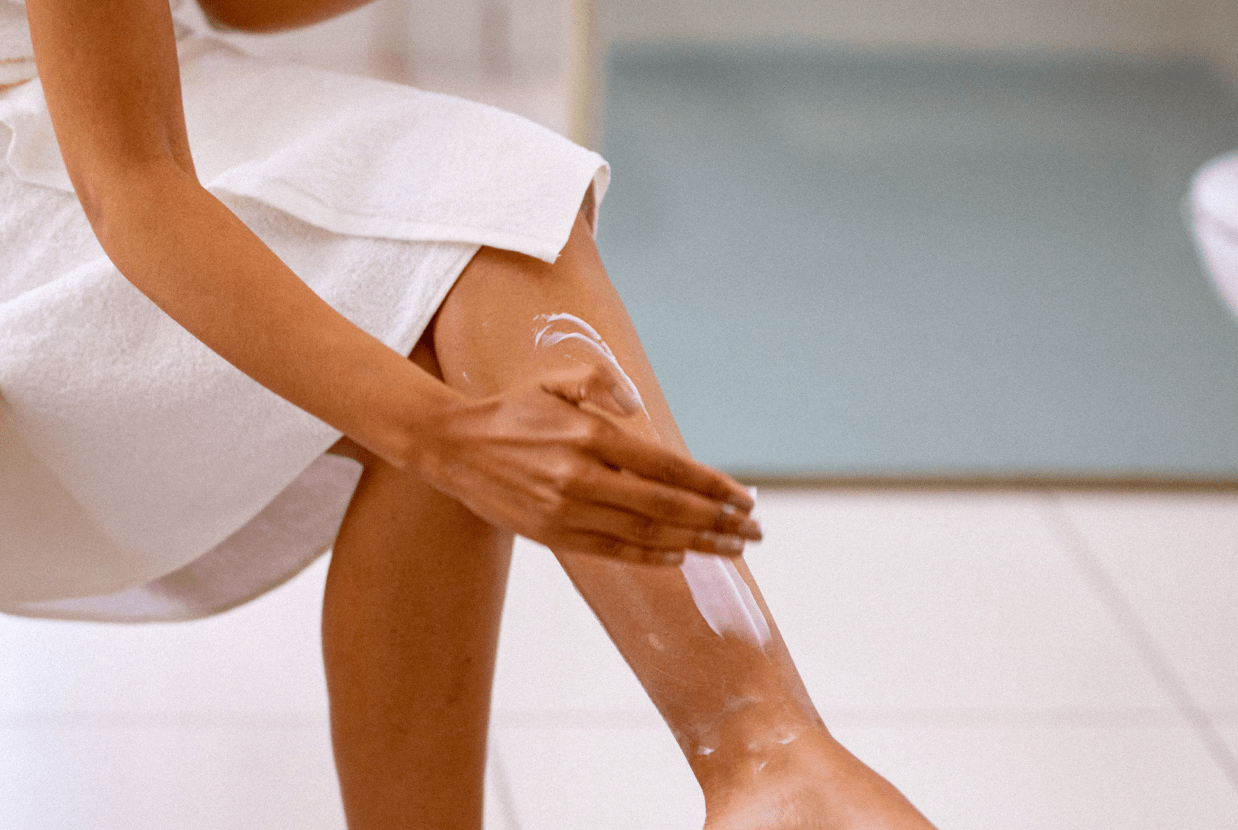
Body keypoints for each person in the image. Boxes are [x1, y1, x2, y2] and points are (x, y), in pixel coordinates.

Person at [0, 0, 937, 827]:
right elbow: (134, 181)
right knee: (458, 312)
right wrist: (440, 436)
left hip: (118, 93)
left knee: (477, 258)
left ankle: (770, 755)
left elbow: (235, 3)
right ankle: (770, 758)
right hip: (79, 146)